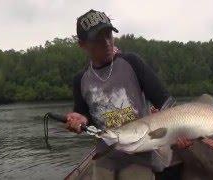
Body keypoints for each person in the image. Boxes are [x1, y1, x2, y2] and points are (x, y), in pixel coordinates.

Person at [66, 9, 192, 179]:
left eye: (108, 34)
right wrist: (80, 120)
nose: (107, 42)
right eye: (98, 39)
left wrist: (180, 130)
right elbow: (84, 115)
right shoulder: (80, 80)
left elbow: (165, 103)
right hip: (105, 156)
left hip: (140, 156)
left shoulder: (132, 63)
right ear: (82, 44)